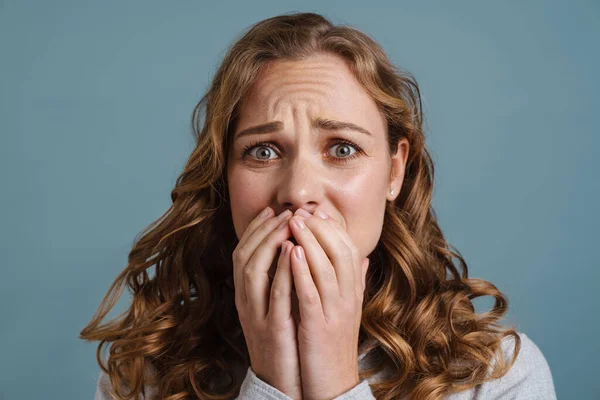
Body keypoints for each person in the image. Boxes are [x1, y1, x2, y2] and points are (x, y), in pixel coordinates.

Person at [81, 12, 556, 400]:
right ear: (224, 176)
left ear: (394, 172)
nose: (298, 190)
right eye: (263, 151)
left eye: (342, 149)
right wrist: (270, 382)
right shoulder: (145, 373)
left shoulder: (496, 376)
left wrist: (333, 378)